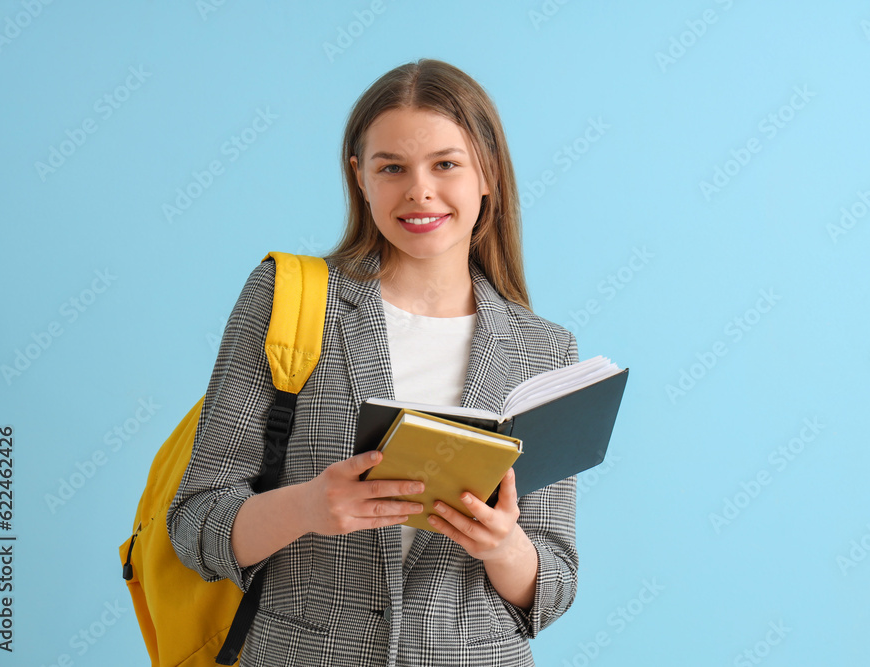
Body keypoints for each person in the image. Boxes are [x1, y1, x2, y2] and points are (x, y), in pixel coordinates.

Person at [167, 58, 579, 666]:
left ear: (487, 172)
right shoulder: (288, 301)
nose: (420, 191)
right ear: (360, 177)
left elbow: (555, 585)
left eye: (446, 164)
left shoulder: (544, 350)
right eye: (392, 168)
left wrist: (503, 546)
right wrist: (307, 507)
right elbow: (194, 525)